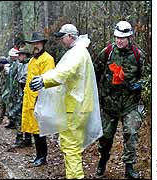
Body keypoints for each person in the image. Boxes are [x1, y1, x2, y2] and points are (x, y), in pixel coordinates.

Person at [29, 23, 103, 179]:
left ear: (70, 36)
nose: (61, 40)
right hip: (79, 106)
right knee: (72, 147)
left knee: (71, 148)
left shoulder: (77, 53)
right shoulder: (80, 52)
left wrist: (44, 79)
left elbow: (64, 72)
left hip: (75, 107)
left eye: (62, 37)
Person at [93, 21, 146, 179]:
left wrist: (139, 84)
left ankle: (129, 168)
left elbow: (148, 76)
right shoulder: (107, 52)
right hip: (109, 104)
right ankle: (103, 161)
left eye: (122, 38)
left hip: (130, 104)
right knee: (105, 138)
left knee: (131, 133)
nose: (119, 41)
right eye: (117, 37)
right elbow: (95, 71)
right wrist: (95, 93)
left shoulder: (138, 55)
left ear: (130, 37)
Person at [21, 32, 55, 167]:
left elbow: (48, 79)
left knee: (40, 130)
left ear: (42, 43)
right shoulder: (32, 60)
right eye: (33, 44)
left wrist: (41, 99)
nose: (35, 46)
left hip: (40, 99)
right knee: (34, 129)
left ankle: (42, 156)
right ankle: (38, 155)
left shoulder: (47, 59)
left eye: (37, 43)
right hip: (30, 99)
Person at [11, 47, 32, 148]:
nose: (18, 56)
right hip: (20, 94)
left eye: (20, 55)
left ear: (24, 55)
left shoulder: (29, 65)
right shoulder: (20, 65)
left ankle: (25, 139)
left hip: (27, 94)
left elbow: (26, 78)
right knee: (19, 116)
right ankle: (22, 138)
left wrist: (21, 82)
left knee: (23, 116)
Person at [3, 47, 20, 129]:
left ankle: (15, 122)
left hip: (15, 88)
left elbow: (16, 76)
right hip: (11, 88)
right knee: (10, 105)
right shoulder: (13, 64)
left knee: (15, 106)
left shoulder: (18, 64)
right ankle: (12, 121)